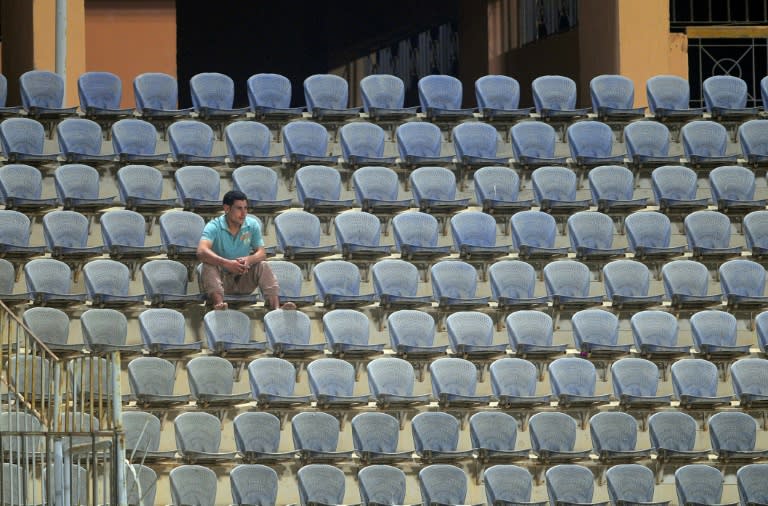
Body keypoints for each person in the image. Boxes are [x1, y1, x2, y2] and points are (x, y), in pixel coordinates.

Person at [197, 190, 295, 310]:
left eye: (245, 208)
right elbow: (201, 251)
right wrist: (227, 263)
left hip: (242, 279)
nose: (243, 213)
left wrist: (249, 259)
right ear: (227, 208)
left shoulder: (252, 224)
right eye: (239, 208)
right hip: (222, 279)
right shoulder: (214, 226)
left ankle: (275, 307)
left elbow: (262, 253)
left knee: (262, 265)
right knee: (207, 265)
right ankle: (219, 305)